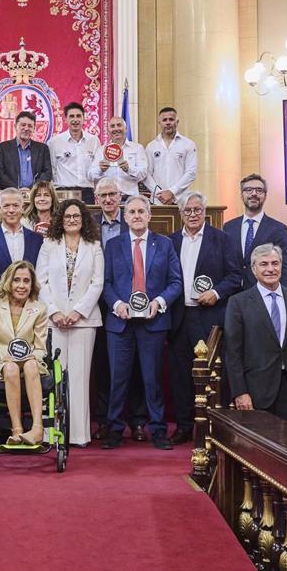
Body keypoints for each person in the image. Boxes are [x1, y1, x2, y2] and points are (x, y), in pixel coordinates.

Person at [101, 195, 183, 450]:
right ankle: (115, 429)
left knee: (152, 380)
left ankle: (158, 430)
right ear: (125, 217)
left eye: (141, 211)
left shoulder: (165, 244)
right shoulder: (113, 245)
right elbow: (106, 283)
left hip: (153, 322)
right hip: (120, 323)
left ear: (149, 215)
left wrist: (158, 302)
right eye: (132, 212)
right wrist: (117, 304)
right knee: (117, 379)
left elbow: (175, 282)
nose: (136, 215)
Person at [167, 192, 241, 444]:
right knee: (180, 374)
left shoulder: (222, 239)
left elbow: (235, 276)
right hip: (179, 317)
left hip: (209, 317)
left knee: (212, 374)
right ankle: (184, 426)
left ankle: (214, 425)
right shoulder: (171, 241)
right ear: (180, 214)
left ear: (205, 212)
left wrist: (216, 292)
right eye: (187, 210)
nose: (193, 214)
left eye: (197, 209)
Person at [224, 244, 287, 425]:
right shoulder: (238, 302)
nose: (270, 269)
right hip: (255, 389)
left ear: (282, 266)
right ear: (254, 269)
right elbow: (233, 353)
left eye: (275, 263)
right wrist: (240, 392)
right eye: (264, 264)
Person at [36, 199, 104, 446]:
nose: (72, 220)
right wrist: (54, 312)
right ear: (60, 220)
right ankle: (51, 433)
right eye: (67, 216)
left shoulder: (94, 246)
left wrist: (78, 312)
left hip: (83, 322)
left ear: (83, 219)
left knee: (79, 378)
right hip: (54, 321)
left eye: (76, 216)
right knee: (53, 377)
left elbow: (97, 282)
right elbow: (40, 281)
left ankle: (77, 435)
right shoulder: (49, 244)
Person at [90, 177, 147, 440]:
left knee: (135, 365)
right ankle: (105, 420)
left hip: (130, 306)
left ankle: (137, 420)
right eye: (103, 195)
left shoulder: (133, 222)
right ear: (96, 199)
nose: (108, 199)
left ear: (120, 196)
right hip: (97, 304)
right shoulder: (89, 226)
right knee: (103, 365)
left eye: (112, 194)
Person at [0, 261, 49, 445]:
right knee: (11, 368)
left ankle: (37, 429)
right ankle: (17, 430)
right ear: (8, 282)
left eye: (26, 281)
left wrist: (33, 356)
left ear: (32, 285)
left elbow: (40, 348)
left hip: (30, 364)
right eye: (16, 280)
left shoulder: (39, 309)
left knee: (30, 365)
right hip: (2, 365)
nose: (21, 286)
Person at [0, 188, 43, 312]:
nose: (11, 210)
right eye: (6, 206)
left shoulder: (37, 239)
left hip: (30, 309)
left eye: (15, 205)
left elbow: (41, 277)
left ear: (23, 208)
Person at [223, 174, 287, 289]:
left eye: (259, 190)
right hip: (232, 293)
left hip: (263, 292)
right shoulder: (228, 227)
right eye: (248, 190)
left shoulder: (278, 229)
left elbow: (284, 267)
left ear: (265, 196)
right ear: (241, 195)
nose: (254, 193)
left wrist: (286, 295)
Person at [47, 101, 98, 203]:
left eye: (78, 116)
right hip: (63, 192)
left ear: (83, 118)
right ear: (66, 119)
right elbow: (52, 170)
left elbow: (96, 168)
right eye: (71, 116)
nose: (75, 120)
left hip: (87, 192)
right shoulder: (54, 142)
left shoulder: (94, 140)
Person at [144, 107, 197, 205]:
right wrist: (159, 194)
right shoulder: (151, 146)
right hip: (157, 201)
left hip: (181, 201)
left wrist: (172, 192)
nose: (168, 122)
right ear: (159, 122)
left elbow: (191, 173)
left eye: (171, 119)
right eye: (164, 120)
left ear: (177, 121)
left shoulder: (188, 144)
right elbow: (146, 174)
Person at [87, 116, 147, 198]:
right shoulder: (101, 150)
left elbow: (143, 174)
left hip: (130, 197)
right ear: (108, 131)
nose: (116, 129)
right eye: (112, 126)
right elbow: (90, 175)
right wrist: (100, 169)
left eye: (119, 125)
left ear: (126, 129)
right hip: (109, 198)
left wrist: (129, 169)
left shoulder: (137, 148)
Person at [0, 110, 53, 192]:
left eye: (30, 126)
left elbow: (47, 173)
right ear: (15, 126)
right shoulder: (2, 148)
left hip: (35, 193)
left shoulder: (43, 149)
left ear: (34, 129)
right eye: (23, 125)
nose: (26, 128)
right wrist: (16, 189)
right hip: (9, 193)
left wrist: (32, 188)